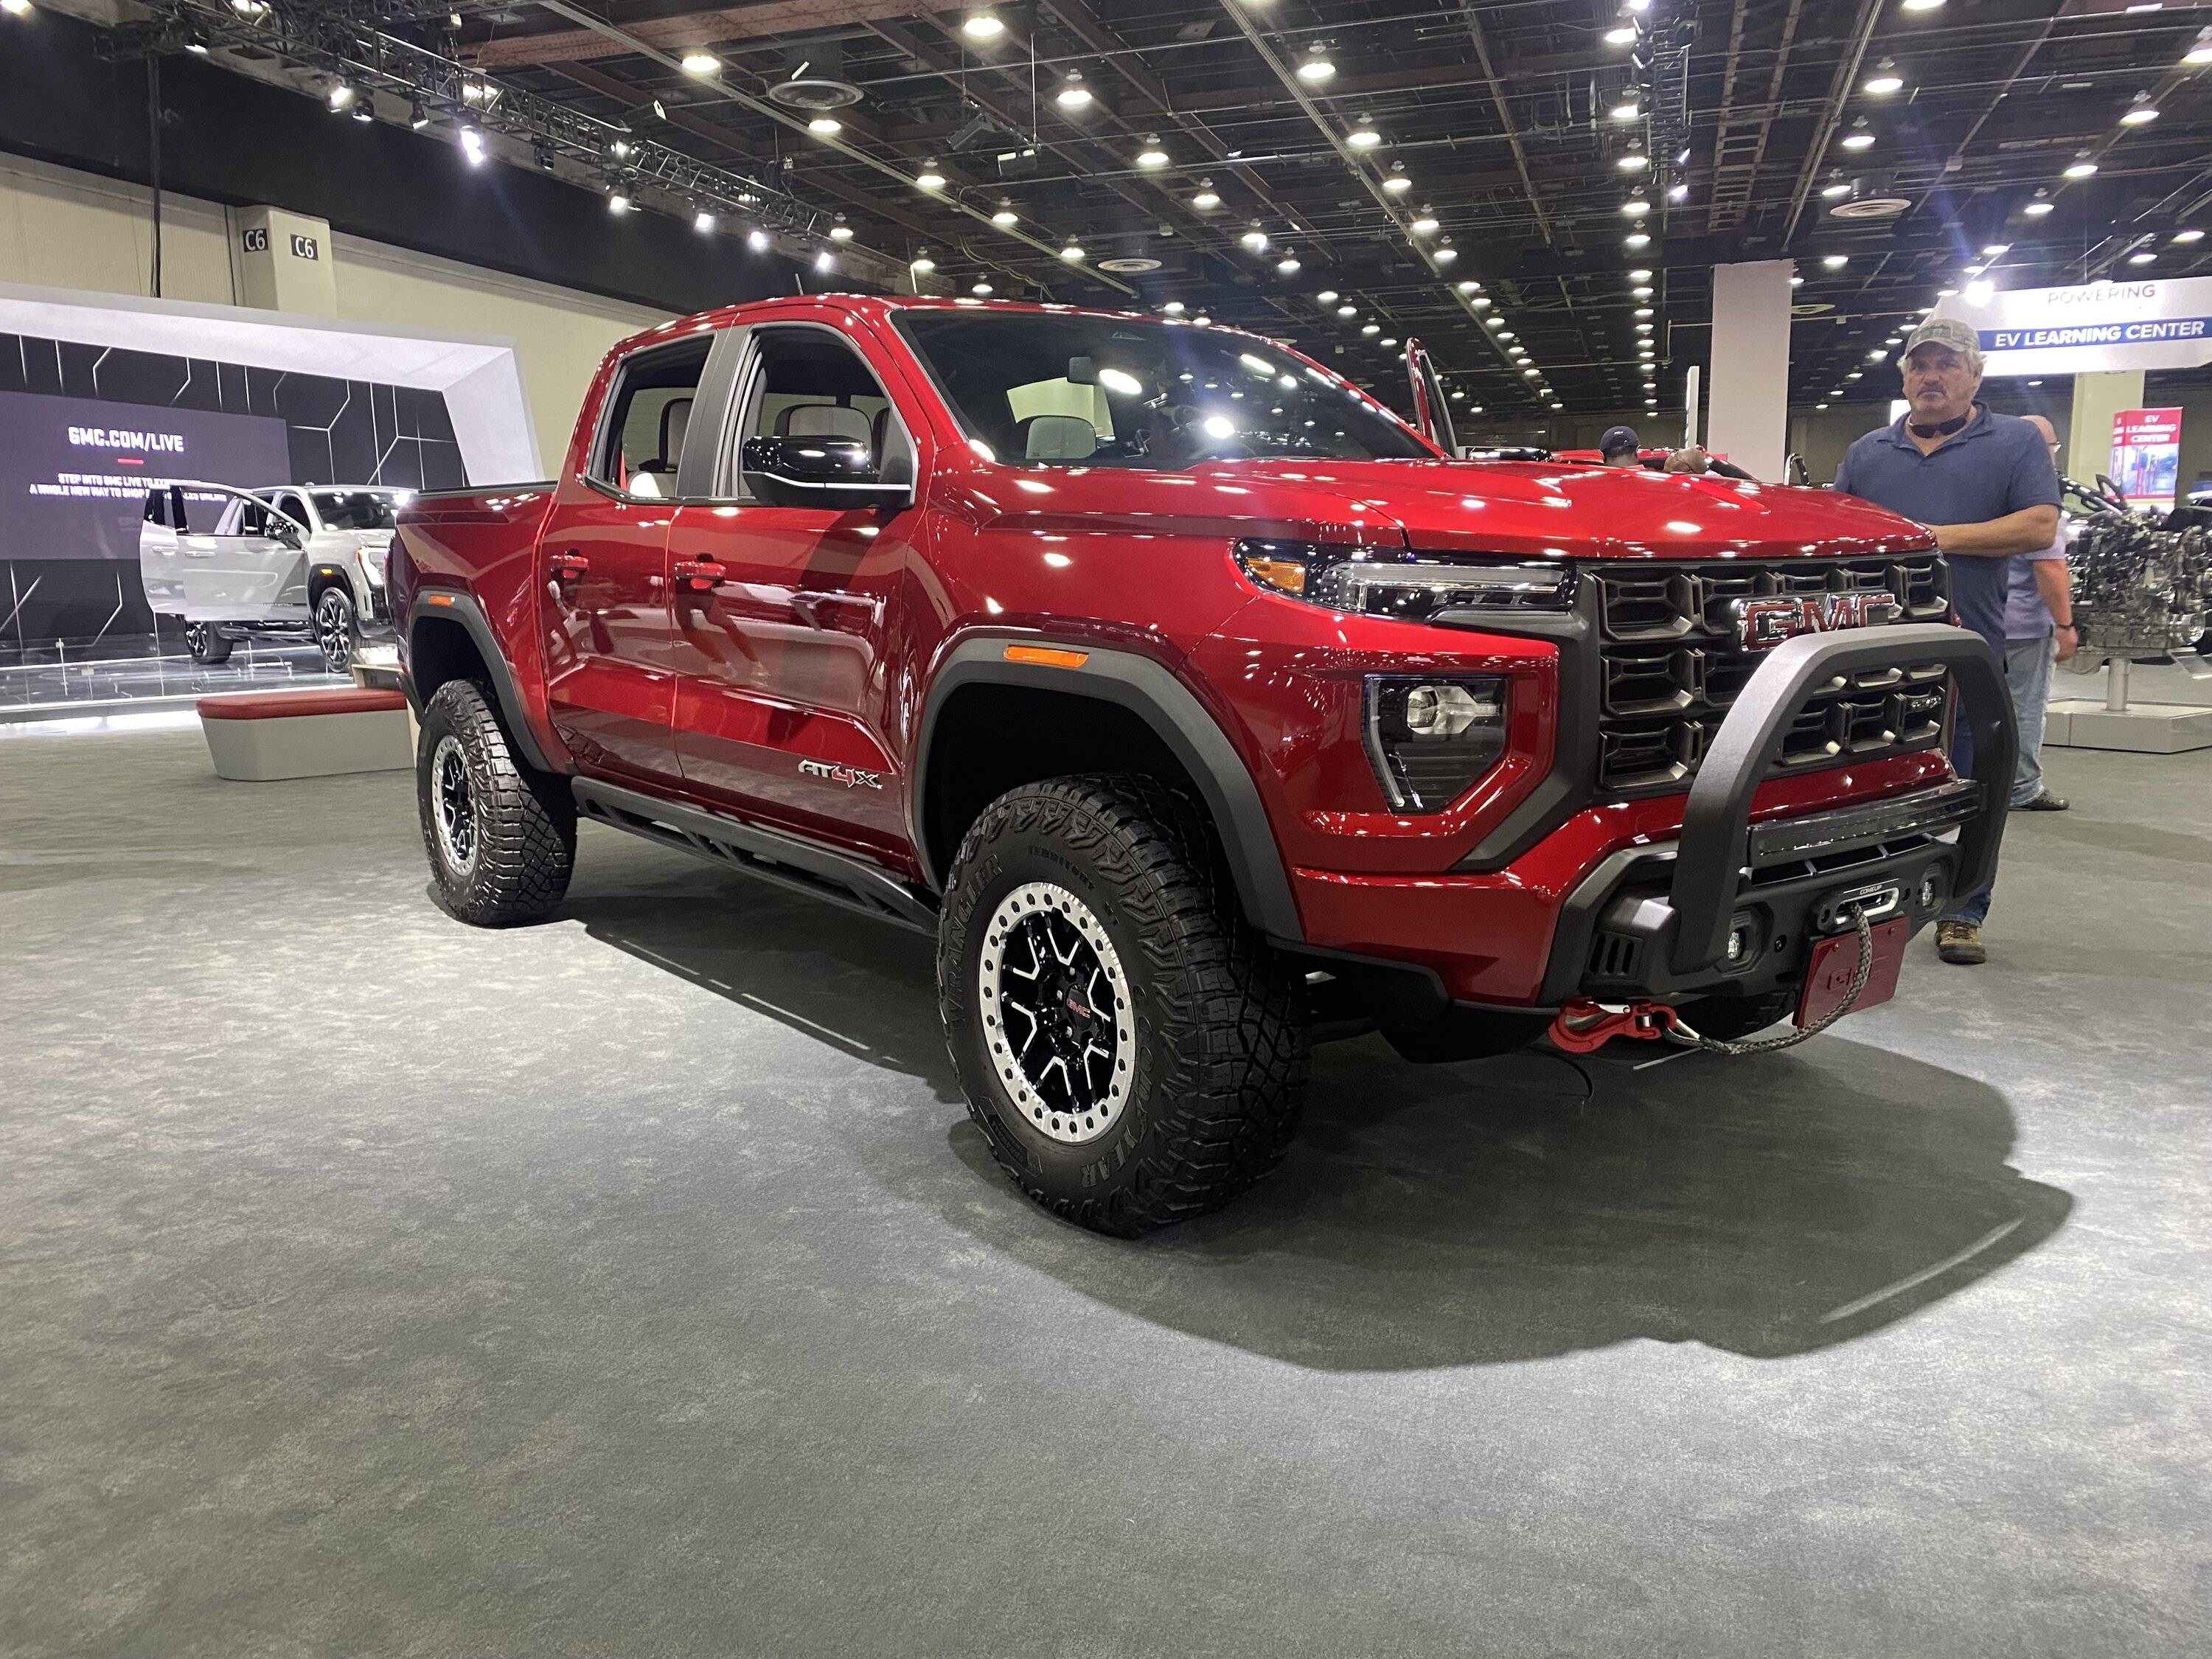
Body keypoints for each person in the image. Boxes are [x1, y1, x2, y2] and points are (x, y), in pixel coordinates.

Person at [1830, 316, 2061, 967]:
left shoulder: (2013, 442)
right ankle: (1869, 900)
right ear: (1904, 377)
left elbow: (2040, 525)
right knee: (1869, 782)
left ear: (1975, 375)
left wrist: (1936, 537)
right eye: (1919, 365)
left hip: (1968, 652)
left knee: (1974, 783)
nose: (1931, 376)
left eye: (1947, 364)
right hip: (1873, 658)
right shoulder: (1868, 451)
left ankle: (1963, 909)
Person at [2010, 417, 2079, 812]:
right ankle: (2023, 788)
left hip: (1981, 619)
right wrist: (2065, 625)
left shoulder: (1996, 488)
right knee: (2025, 707)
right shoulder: (2038, 498)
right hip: (2024, 626)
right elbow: (2050, 567)